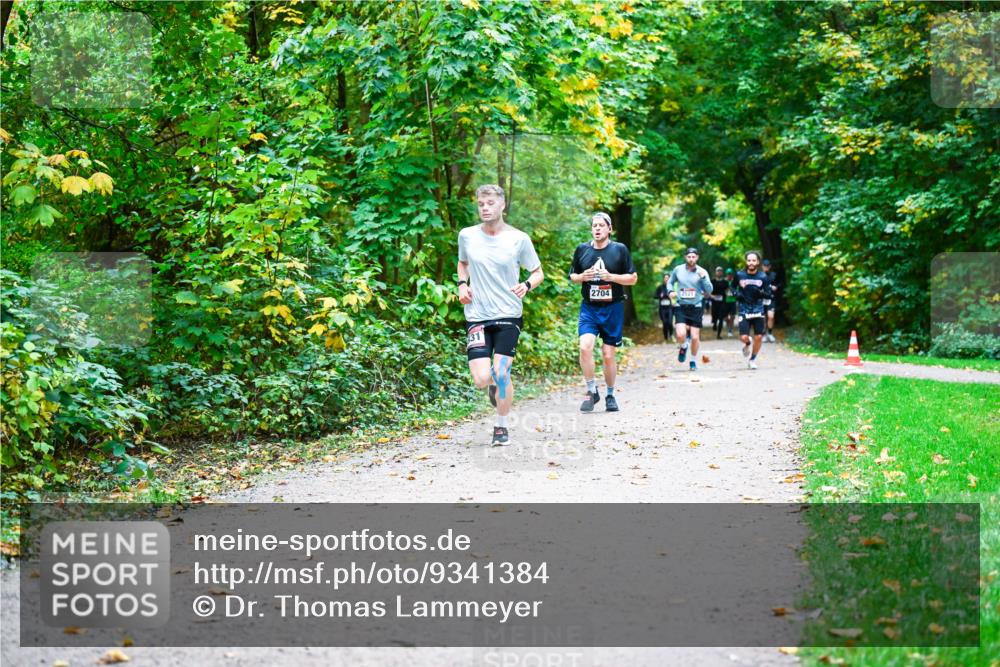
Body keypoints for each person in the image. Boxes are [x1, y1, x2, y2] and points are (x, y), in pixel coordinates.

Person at [458, 184, 544, 444]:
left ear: (502, 205)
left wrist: (527, 285)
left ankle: (501, 426)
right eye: (481, 204)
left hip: (508, 313)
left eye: (490, 204)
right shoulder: (467, 235)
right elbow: (463, 264)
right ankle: (494, 386)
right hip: (476, 315)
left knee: (502, 372)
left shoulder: (519, 239)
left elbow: (538, 272)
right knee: (482, 379)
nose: (485, 208)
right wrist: (462, 284)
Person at [569, 212, 638, 412]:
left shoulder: (619, 250)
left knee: (608, 355)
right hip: (589, 307)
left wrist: (611, 277)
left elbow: (632, 278)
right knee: (585, 347)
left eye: (601, 225)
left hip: (613, 308)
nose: (597, 228)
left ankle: (609, 394)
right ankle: (592, 391)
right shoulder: (582, 249)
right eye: (594, 225)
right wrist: (582, 276)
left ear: (609, 229)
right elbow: (572, 276)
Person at [666, 248, 713, 371]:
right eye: (689, 257)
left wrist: (703, 278)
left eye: (693, 257)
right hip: (681, 306)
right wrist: (670, 291)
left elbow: (709, 290)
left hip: (696, 306)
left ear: (697, 258)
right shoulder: (678, 270)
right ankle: (683, 346)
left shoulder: (702, 271)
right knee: (680, 334)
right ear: (685, 257)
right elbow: (670, 283)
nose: (691, 259)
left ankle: (692, 360)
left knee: (695, 337)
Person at [734, 251, 772, 370]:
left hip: (758, 309)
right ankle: (747, 343)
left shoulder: (763, 277)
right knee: (744, 337)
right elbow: (732, 287)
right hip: (744, 309)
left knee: (759, 336)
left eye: (753, 260)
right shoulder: (740, 275)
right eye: (749, 260)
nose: (751, 263)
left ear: (758, 262)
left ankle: (752, 359)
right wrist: (737, 293)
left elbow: (769, 294)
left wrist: (760, 293)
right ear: (746, 261)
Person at [761, 259, 781, 342]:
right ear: (762, 266)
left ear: (770, 266)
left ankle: (769, 333)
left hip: (771, 298)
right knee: (762, 318)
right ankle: (763, 334)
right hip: (761, 299)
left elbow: (779, 283)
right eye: (764, 266)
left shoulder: (774, 275)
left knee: (771, 316)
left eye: (767, 266)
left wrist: (776, 287)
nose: (766, 267)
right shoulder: (759, 275)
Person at [709, 266, 730, 339]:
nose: (719, 272)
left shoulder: (725, 282)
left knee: (721, 318)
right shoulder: (712, 281)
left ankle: (718, 334)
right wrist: (712, 296)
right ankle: (714, 323)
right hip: (714, 301)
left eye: (720, 271)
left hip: (722, 302)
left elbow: (727, 290)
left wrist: (729, 294)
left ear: (722, 272)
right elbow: (709, 291)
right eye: (718, 271)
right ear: (715, 272)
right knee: (714, 316)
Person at [653, 273, 674, 343]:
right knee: (665, 323)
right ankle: (666, 338)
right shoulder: (660, 287)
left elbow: (675, 296)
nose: (666, 279)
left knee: (670, 323)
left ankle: (671, 335)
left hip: (670, 308)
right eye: (665, 278)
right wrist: (660, 296)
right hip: (662, 308)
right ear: (663, 279)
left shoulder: (672, 287)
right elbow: (655, 296)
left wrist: (670, 297)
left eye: (668, 278)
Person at [724, 267, 737, 337]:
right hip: (725, 301)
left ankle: (730, 329)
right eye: (728, 274)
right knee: (725, 317)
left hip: (733, 301)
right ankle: (728, 325)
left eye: (730, 274)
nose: (729, 275)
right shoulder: (724, 281)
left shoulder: (734, 282)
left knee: (732, 316)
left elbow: (737, 290)